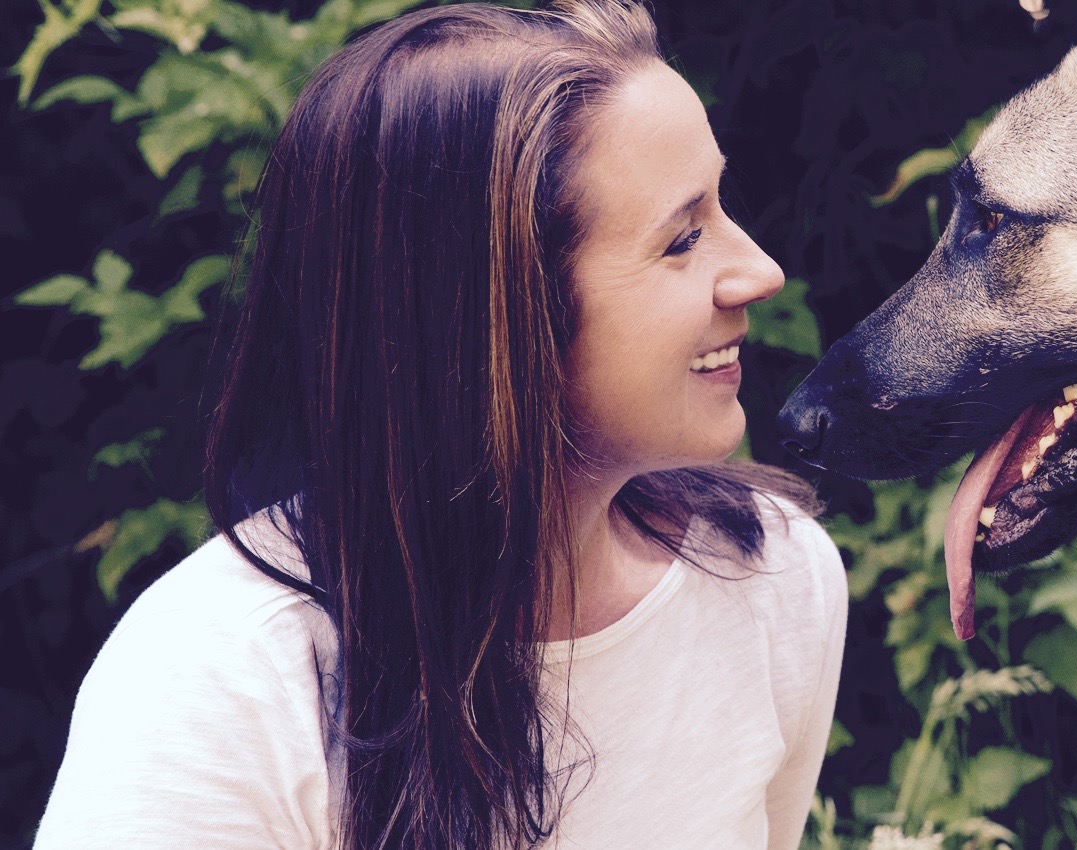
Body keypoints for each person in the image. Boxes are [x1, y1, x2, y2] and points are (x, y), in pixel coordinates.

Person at [33, 2, 847, 847]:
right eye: (682, 241)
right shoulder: (217, 685)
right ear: (487, 315)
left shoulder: (772, 580)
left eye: (721, 206)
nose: (760, 270)